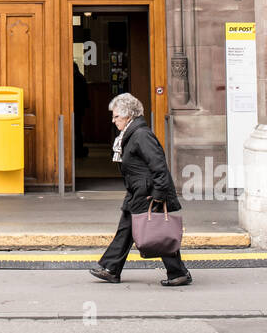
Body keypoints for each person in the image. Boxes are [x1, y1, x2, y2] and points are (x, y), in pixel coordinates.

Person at [88, 92, 192, 286]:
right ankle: (111, 268)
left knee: (157, 231)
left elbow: (159, 165)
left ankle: (177, 272)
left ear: (129, 115)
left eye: (116, 116)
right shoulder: (130, 134)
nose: (113, 120)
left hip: (149, 193)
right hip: (138, 191)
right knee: (127, 229)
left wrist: (159, 195)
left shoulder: (141, 135)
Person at [73, 64, 90, 160]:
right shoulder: (81, 78)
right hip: (80, 109)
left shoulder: (76, 79)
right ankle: (78, 150)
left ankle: (77, 150)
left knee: (76, 130)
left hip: (76, 108)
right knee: (78, 130)